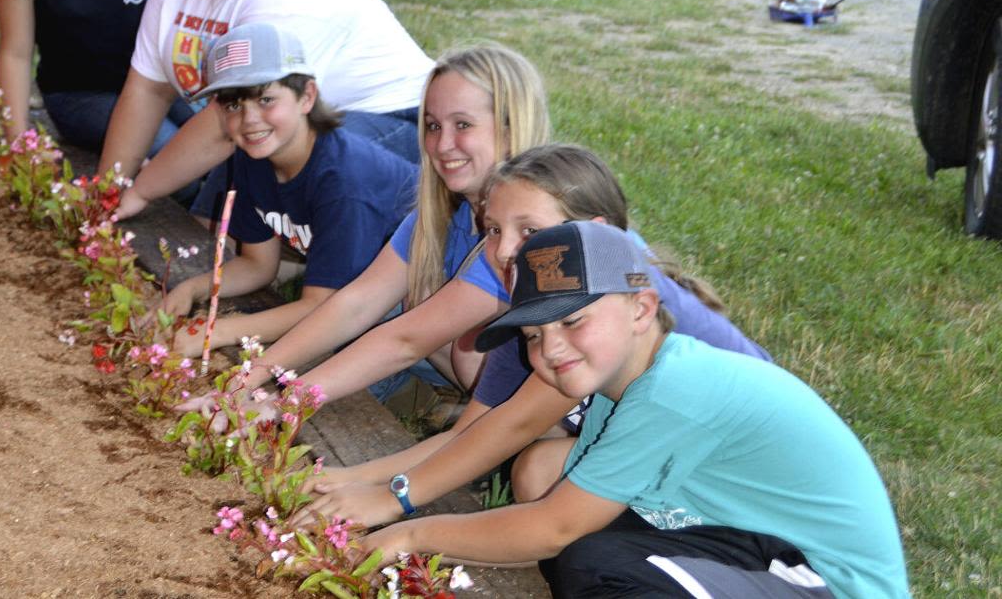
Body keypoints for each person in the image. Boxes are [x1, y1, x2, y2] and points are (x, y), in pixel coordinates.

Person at [359, 221, 910, 599]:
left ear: (642, 308)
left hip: (829, 581)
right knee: (574, 521)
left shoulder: (675, 390)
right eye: (533, 334)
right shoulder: (623, 385)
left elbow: (551, 530)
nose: (551, 349)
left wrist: (412, 535)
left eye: (573, 321)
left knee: (591, 562)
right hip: (757, 541)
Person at [300, 144, 771, 523]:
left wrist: (392, 499)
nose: (504, 251)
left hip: (742, 474)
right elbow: (474, 431)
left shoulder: (603, 304)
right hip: (668, 452)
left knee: (543, 481)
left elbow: (512, 427)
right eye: (493, 230)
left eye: (529, 230)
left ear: (592, 231)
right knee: (537, 473)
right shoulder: (538, 313)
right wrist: (349, 478)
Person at [218, 43, 549, 407]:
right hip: (494, 365)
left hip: (563, 405)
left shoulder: (524, 229)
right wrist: (253, 375)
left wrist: (281, 404)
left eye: (463, 125)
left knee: (442, 334)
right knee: (410, 302)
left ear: (510, 126)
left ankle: (475, 420)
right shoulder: (440, 209)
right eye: (433, 126)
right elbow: (356, 303)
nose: (442, 144)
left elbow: (404, 342)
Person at [161, 23, 416, 353]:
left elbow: (323, 308)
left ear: (307, 96)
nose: (250, 119)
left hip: (425, 291)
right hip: (352, 292)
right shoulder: (253, 157)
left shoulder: (344, 180)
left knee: (332, 361)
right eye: (233, 105)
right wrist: (194, 288)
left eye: (266, 98)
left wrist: (219, 331)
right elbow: (258, 265)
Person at [102, 0, 433, 221]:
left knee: (268, 145)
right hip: (279, 120)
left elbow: (224, 128)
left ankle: (313, 261)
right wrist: (108, 189)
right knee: (211, 237)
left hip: (395, 124)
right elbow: (147, 88)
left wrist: (142, 191)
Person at [0, 0, 194, 153]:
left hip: (162, 80)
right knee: (172, 152)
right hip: (82, 94)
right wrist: (20, 145)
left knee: (216, 147)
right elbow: (15, 54)